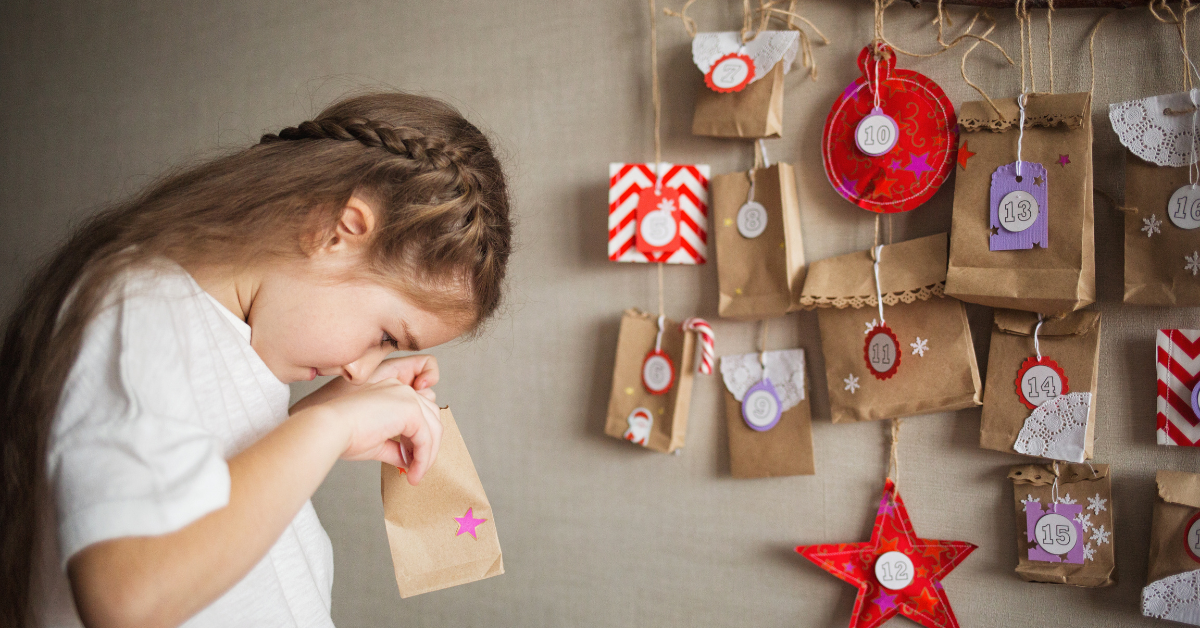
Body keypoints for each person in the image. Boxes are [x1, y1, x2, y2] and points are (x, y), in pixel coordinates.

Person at [0, 92, 512, 628]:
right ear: (338, 231)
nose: (359, 368)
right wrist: (330, 425)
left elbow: (200, 492)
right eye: (385, 335)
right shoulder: (142, 309)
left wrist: (313, 418)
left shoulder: (217, 335)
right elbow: (131, 600)